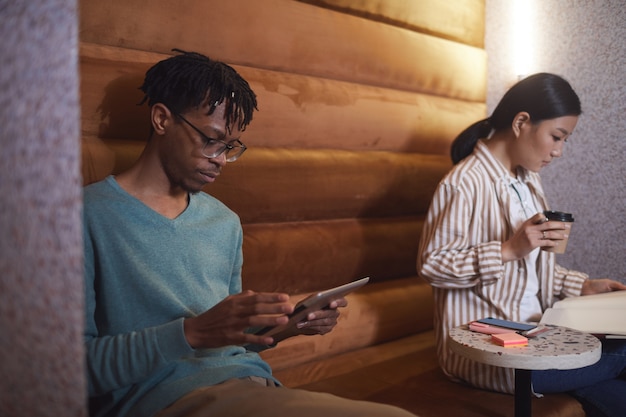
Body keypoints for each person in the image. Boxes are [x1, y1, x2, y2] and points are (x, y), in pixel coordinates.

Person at [83, 50, 417, 417]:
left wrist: (291, 326)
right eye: (211, 140)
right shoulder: (86, 216)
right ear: (162, 119)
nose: (222, 159)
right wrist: (190, 332)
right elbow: (72, 368)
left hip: (252, 385)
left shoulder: (223, 222)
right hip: (162, 400)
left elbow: (226, 341)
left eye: (231, 147)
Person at [417, 73, 626, 417]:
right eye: (557, 137)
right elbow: (432, 265)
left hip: (538, 336)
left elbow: (528, 272)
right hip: (490, 352)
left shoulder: (527, 181)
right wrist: (507, 249)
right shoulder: (463, 183)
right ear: (521, 122)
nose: (559, 151)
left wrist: (583, 286)